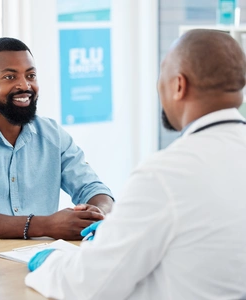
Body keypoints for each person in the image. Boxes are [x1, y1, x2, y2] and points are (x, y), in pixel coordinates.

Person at [25, 29, 246, 299]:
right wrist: (119, 232)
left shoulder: (166, 174)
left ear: (179, 85)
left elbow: (85, 286)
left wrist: (49, 262)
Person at [0, 37, 114, 246]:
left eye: (31, 75)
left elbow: (94, 189)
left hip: (35, 261)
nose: (24, 85)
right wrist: (46, 225)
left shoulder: (52, 135)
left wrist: (97, 213)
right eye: (9, 77)